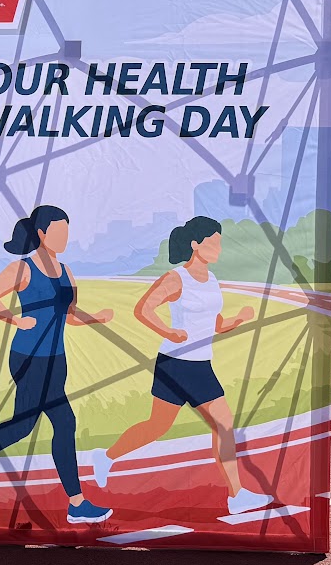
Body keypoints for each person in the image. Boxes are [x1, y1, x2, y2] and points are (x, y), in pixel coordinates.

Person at [88, 216, 273, 517]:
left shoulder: (212, 280)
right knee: (219, 425)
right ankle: (237, 496)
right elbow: (143, 309)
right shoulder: (177, 278)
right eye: (214, 242)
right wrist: (169, 332)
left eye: (220, 242)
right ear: (195, 244)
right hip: (177, 364)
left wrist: (239, 318)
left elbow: (214, 324)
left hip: (198, 364)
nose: (219, 247)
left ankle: (105, 457)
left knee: (159, 427)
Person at [0, 205, 115, 524]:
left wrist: (95, 318)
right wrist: (16, 319)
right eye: (59, 230)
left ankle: (76, 502)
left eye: (67, 230)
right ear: (42, 233)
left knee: (63, 423)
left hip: (56, 358)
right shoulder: (23, 268)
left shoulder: (66, 271)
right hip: (28, 357)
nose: (65, 236)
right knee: (29, 424)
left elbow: (69, 314)